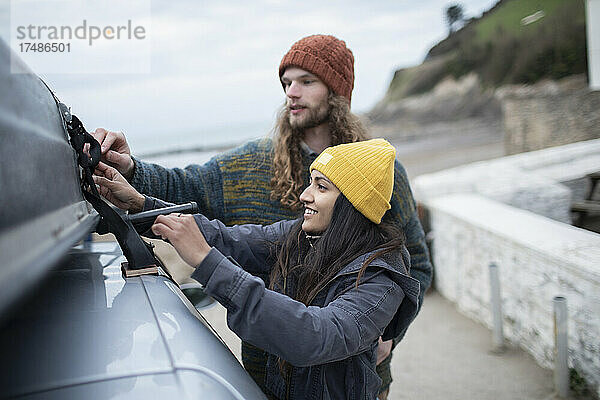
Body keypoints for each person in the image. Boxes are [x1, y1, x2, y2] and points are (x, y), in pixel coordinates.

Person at [92, 34, 432, 398]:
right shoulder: (253, 171)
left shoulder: (380, 177)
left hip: (350, 377)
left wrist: (389, 333)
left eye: (307, 81)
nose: (292, 93)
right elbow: (190, 193)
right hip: (267, 377)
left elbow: (414, 265)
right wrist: (131, 177)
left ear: (338, 93)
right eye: (287, 82)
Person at [93, 138, 421, 400]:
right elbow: (230, 239)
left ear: (353, 205)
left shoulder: (382, 278)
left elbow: (315, 336)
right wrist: (140, 204)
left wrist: (207, 262)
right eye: (311, 182)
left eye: (321, 187)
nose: (305, 195)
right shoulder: (301, 236)